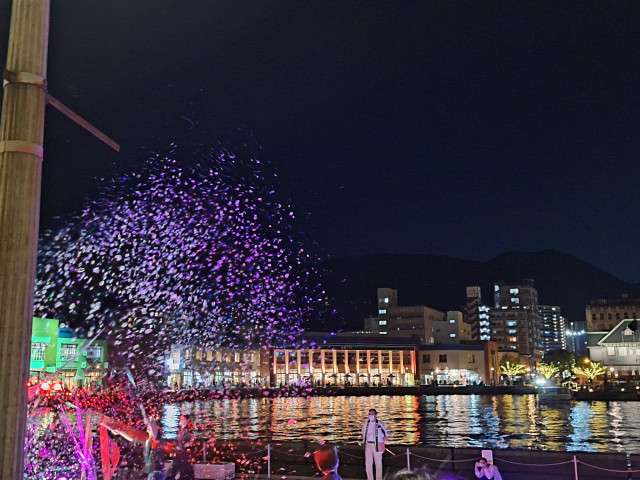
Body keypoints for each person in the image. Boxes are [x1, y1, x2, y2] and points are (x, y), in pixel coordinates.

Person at [361, 408, 388, 480]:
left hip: (377, 445)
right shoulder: (365, 424)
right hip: (368, 445)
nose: (371, 415)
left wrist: (382, 444)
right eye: (369, 414)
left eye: (372, 414)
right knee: (368, 464)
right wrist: (364, 443)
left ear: (376, 415)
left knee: (378, 464)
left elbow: (386, 435)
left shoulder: (380, 424)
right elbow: (363, 433)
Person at [167, 414, 194, 480]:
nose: (180, 420)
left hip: (185, 455)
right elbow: (174, 440)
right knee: (174, 471)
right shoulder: (178, 430)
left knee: (185, 472)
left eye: (182, 419)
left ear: (187, 420)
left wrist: (185, 445)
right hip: (177, 454)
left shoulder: (190, 430)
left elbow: (191, 441)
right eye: (180, 419)